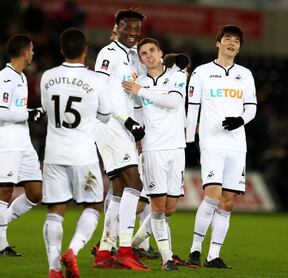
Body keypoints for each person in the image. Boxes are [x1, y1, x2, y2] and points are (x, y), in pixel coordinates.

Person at [40, 27, 111, 278]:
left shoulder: (47, 77)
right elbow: (105, 114)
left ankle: (53, 268)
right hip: (83, 153)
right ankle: (72, 249)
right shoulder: (96, 80)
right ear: (85, 50)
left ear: (61, 50)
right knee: (93, 205)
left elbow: (47, 111)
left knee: (55, 210)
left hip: (54, 153)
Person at [185, 25, 257, 269]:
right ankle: (195, 249)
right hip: (212, 143)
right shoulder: (202, 72)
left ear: (239, 47)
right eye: (227, 38)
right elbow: (192, 108)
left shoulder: (245, 74)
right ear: (218, 43)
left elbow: (251, 107)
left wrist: (241, 119)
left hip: (237, 146)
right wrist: (189, 140)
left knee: (227, 202)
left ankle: (213, 256)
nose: (232, 43)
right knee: (213, 197)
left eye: (236, 40)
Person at [122, 38, 189, 271]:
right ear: (140, 59)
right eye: (144, 53)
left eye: (152, 50)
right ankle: (166, 258)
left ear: (160, 52)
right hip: (153, 149)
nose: (149, 55)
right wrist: (137, 137)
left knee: (169, 209)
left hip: (177, 147)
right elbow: (138, 114)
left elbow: (173, 101)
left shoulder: (178, 76)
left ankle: (131, 244)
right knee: (158, 207)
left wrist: (143, 91)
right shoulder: (137, 82)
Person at [92, 9, 150, 271]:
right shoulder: (108, 54)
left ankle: (105, 251)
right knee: (135, 183)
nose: (133, 33)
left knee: (118, 190)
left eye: (137, 29)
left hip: (122, 127)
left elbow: (135, 93)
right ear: (116, 27)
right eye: (128, 27)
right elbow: (101, 92)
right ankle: (125, 249)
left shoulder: (133, 58)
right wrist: (127, 120)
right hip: (110, 124)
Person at [0, 34, 43, 256]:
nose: (34, 53)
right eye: (32, 49)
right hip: (7, 142)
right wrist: (29, 113)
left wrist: (31, 113)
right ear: (25, 52)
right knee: (5, 190)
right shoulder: (5, 77)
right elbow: (1, 112)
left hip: (23, 143)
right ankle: (2, 244)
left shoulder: (21, 77)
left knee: (35, 194)